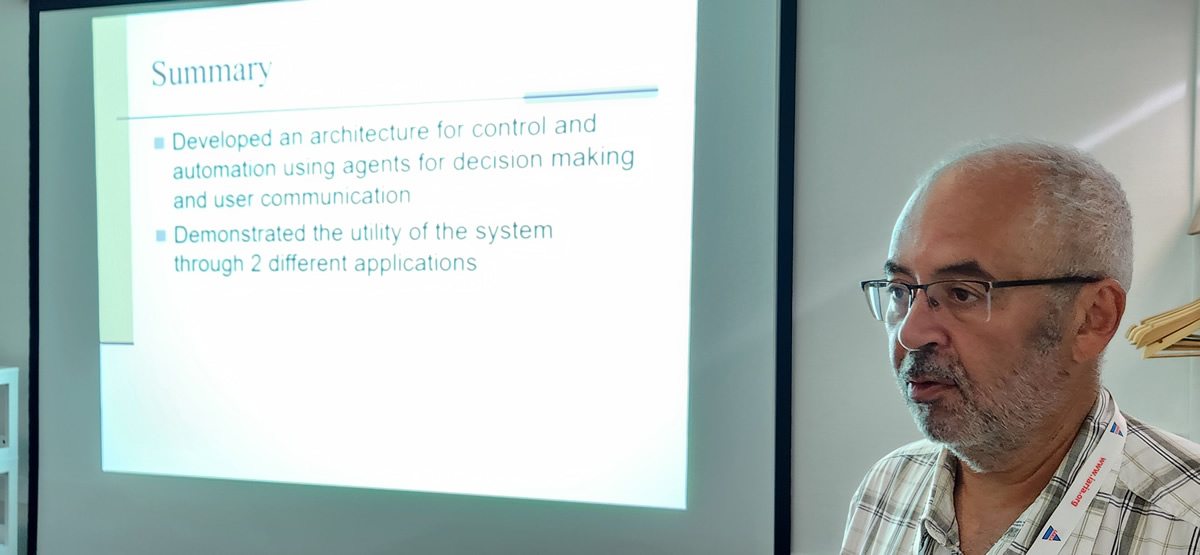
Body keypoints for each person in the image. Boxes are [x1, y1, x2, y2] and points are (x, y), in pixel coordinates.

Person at [841, 139, 1200, 555]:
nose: (911, 333)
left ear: (1091, 318)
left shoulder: (1185, 523)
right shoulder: (886, 490)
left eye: (962, 293)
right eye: (900, 290)